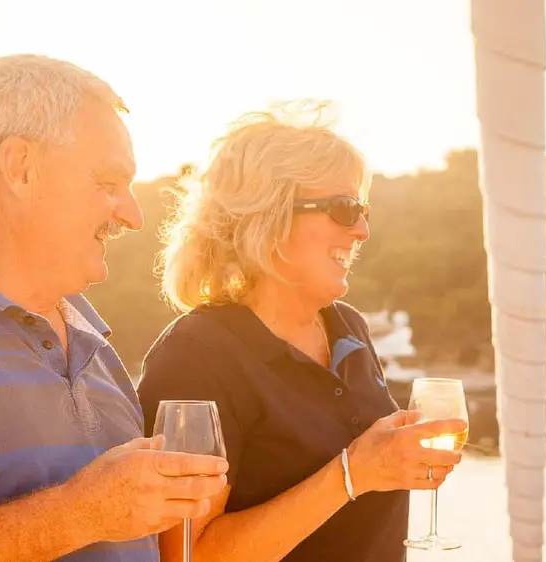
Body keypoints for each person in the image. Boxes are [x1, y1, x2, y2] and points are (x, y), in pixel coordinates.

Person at [136, 102, 467, 562]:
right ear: (269, 217)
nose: (362, 231)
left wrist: (391, 461)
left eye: (363, 210)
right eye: (344, 209)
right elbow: (187, 555)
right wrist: (354, 473)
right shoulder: (196, 356)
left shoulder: (347, 326)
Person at [0, 55, 227, 561]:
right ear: (21, 168)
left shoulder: (95, 345)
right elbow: (92, 514)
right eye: (108, 184)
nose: (134, 217)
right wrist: (79, 514)